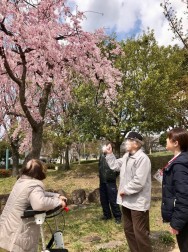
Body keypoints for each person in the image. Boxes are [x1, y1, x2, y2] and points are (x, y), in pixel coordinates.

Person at [0, 159, 67, 252]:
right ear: (40, 172)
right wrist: (59, 202)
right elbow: (40, 203)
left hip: (7, 229)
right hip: (18, 233)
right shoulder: (34, 185)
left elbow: (39, 193)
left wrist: (56, 196)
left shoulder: (22, 181)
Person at [104, 131, 152, 252]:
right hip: (126, 201)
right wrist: (109, 154)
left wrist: (125, 190)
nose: (125, 143)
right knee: (129, 230)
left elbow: (139, 181)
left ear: (136, 143)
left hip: (138, 202)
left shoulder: (142, 159)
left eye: (128, 140)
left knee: (140, 233)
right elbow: (115, 166)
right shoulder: (127, 156)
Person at [161, 128, 188, 252]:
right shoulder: (180, 161)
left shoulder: (180, 165)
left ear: (176, 143)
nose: (166, 140)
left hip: (184, 221)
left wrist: (176, 223)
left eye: (168, 137)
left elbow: (184, 196)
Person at [99, 142, 122, 224]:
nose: (106, 148)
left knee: (113, 200)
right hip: (102, 182)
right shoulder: (101, 156)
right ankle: (107, 215)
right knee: (103, 200)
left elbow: (118, 169)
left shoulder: (114, 157)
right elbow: (100, 167)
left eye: (108, 147)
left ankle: (118, 216)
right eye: (105, 147)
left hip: (110, 182)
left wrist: (112, 176)